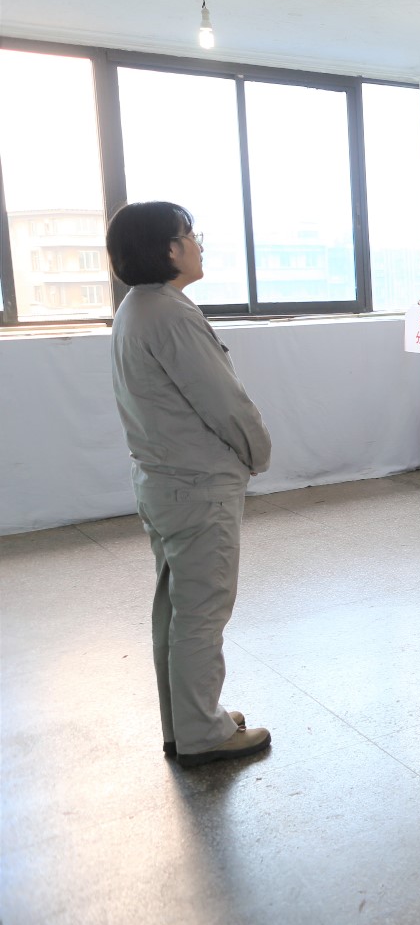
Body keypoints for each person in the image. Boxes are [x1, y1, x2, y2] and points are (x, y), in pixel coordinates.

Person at [107, 201, 272, 767]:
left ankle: (186, 721)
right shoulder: (170, 314)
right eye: (190, 234)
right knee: (202, 610)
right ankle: (204, 734)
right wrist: (258, 451)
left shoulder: (138, 306)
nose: (198, 244)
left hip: (163, 481)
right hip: (196, 485)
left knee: (176, 609)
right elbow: (223, 401)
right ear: (169, 249)